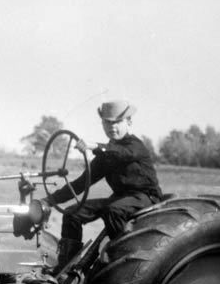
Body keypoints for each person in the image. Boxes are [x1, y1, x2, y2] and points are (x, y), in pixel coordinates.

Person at [42, 100, 162, 270]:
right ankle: (66, 267)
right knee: (72, 214)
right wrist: (49, 201)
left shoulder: (135, 146)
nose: (112, 127)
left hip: (146, 197)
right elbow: (80, 184)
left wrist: (94, 146)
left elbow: (121, 153)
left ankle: (123, 261)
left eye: (117, 122)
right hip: (120, 199)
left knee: (113, 210)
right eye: (107, 122)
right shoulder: (105, 157)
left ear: (129, 122)